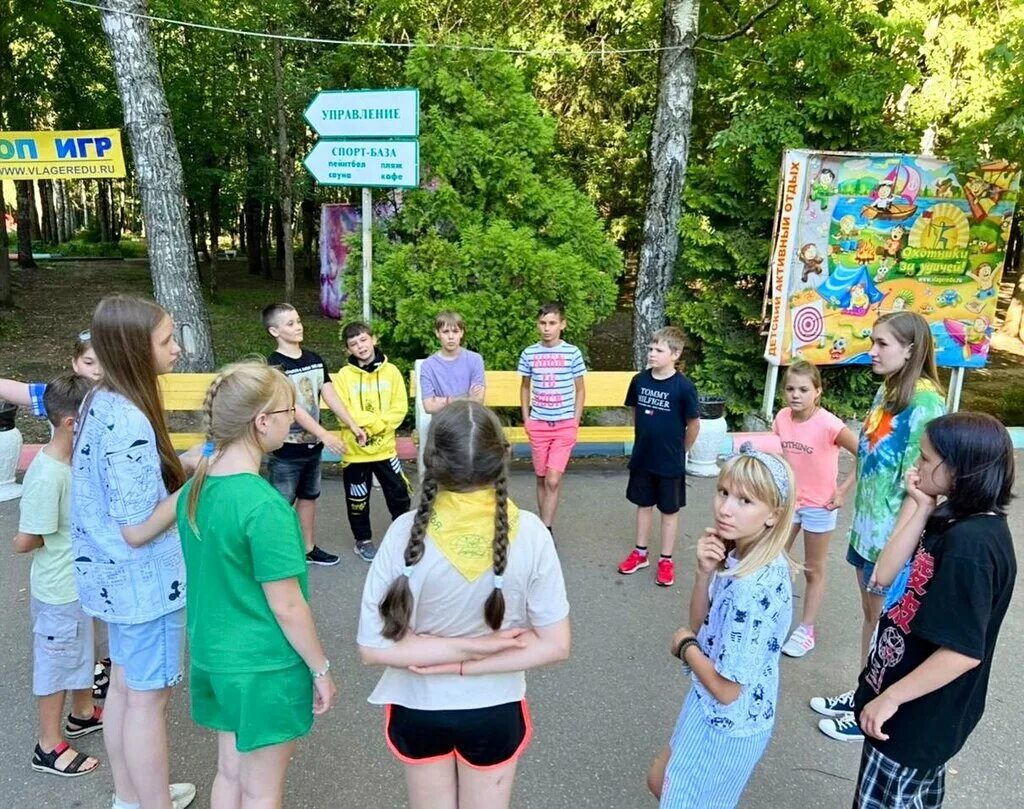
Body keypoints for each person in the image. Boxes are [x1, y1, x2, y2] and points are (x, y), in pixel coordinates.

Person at [124, 361, 338, 809]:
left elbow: (140, 531)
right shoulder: (264, 507)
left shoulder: (197, 490)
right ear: (263, 421)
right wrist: (320, 668)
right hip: (263, 664)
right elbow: (287, 606)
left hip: (214, 657)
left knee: (229, 773)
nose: (293, 417)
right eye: (289, 409)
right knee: (262, 792)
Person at [357, 401, 571, 809]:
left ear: (430, 459)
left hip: (418, 705)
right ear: (504, 456)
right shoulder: (532, 534)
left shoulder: (405, 532)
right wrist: (475, 652)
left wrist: (440, 652)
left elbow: (373, 646)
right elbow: (556, 644)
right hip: (494, 706)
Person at [852, 412, 1016, 808]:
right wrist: (921, 505)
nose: (916, 466)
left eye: (926, 459)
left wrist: (892, 697)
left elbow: (961, 652)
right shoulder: (952, 519)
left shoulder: (972, 547)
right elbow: (884, 574)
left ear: (961, 469)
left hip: (914, 718)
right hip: (903, 706)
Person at [69, 295, 195, 809]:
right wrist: (197, 483)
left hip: (110, 581)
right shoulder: (129, 421)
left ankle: (132, 797)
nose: (179, 350)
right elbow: (138, 528)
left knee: (123, 690)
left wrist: (184, 464)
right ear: (134, 349)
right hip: (145, 583)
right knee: (147, 701)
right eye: (167, 341)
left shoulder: (98, 400)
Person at [811, 311, 946, 742]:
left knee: (888, 625)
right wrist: (848, 486)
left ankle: (872, 710)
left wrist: (896, 552)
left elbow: (920, 487)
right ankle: (862, 693)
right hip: (866, 532)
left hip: (891, 539)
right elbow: (867, 452)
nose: (872, 351)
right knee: (872, 618)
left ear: (910, 349)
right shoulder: (889, 390)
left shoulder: (925, 403)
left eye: (882, 343)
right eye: (873, 341)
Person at [647, 445, 796, 809]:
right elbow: (705, 624)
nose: (725, 508)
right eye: (724, 492)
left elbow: (728, 690)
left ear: (773, 516)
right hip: (712, 708)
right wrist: (703, 575)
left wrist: (685, 645)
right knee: (659, 780)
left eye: (745, 501)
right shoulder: (741, 554)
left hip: (727, 723)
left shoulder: (751, 585)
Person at [0, 330, 111, 699]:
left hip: (91, 521)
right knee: (68, 625)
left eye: (103, 363)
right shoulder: (64, 399)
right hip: (63, 521)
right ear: (75, 363)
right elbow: (29, 538)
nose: (96, 371)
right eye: (88, 362)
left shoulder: (117, 401)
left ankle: (93, 678)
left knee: (90, 616)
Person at [14, 374, 102, 778]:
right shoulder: (48, 474)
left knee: (80, 650)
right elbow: (25, 540)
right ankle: (48, 746)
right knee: (55, 664)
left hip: (77, 584)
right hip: (58, 589)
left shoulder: (72, 462)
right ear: (71, 424)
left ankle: (83, 713)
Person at [261, 303, 367, 567]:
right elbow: (292, 406)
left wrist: (352, 424)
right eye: (290, 324)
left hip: (312, 449)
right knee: (281, 504)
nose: (298, 327)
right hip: (286, 448)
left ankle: (308, 548)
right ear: (274, 331)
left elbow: (328, 394)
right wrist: (325, 434)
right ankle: (275, 553)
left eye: (298, 321)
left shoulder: (314, 359)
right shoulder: (273, 365)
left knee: (309, 498)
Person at [773, 361, 859, 657]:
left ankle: (806, 629)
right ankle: (772, 615)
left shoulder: (829, 424)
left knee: (813, 568)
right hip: (788, 503)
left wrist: (842, 491)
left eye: (804, 389)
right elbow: (781, 456)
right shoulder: (782, 418)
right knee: (772, 558)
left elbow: (866, 455)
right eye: (790, 389)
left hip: (820, 506)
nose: (796, 395)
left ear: (818, 392)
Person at [617, 327, 700, 587]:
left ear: (675, 354)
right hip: (643, 457)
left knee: (669, 510)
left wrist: (680, 452)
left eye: (658, 350)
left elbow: (693, 424)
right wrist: (642, 439)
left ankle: (666, 559)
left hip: (670, 462)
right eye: (650, 349)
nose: (651, 353)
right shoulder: (639, 381)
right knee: (643, 505)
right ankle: (640, 553)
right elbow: (635, 413)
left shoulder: (684, 387)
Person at [333, 321, 412, 562]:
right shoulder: (344, 376)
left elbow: (400, 408)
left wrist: (376, 426)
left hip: (385, 450)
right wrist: (368, 421)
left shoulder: (392, 372)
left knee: (399, 493)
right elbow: (342, 410)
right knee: (357, 499)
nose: (360, 346)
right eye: (353, 344)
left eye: (363, 340)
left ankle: (404, 536)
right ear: (348, 350)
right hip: (355, 452)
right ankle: (363, 540)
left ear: (373, 339)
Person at [518, 302, 587, 535]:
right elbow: (525, 387)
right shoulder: (529, 353)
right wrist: (527, 419)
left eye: (552, 323)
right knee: (541, 478)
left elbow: (580, 389)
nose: (547, 328)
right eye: (543, 323)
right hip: (538, 424)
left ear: (562, 324)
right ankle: (542, 526)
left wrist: (574, 421)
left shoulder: (572, 353)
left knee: (553, 479)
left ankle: (545, 531)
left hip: (564, 425)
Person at [419, 310, 486, 413]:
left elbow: (477, 401)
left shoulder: (475, 360)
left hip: (469, 420)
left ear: (461, 333)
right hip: (442, 424)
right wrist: (465, 397)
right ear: (437, 333)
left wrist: (442, 401)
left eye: (455, 331)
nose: (451, 337)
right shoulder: (428, 365)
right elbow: (429, 407)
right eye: (446, 332)